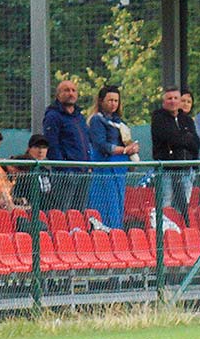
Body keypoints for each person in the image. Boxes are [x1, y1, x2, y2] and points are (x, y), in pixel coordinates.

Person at [85, 85, 136, 228]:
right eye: (110, 100)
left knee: (117, 203)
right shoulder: (97, 120)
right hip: (106, 167)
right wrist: (124, 150)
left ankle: (116, 231)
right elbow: (101, 145)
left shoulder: (119, 122)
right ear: (101, 101)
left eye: (116, 101)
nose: (113, 104)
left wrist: (132, 148)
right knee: (106, 202)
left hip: (119, 168)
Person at [150, 86, 199, 218]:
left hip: (187, 170)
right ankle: (165, 228)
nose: (173, 101)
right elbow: (169, 138)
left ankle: (181, 228)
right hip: (167, 170)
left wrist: (183, 139)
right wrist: (186, 137)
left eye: (176, 98)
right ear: (164, 102)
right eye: (169, 98)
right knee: (166, 204)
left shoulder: (187, 120)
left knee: (184, 206)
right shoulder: (158, 118)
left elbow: (196, 143)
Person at [42, 80, 90, 211]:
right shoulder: (53, 116)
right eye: (66, 90)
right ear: (58, 95)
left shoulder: (79, 117)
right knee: (62, 212)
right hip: (65, 175)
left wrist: (89, 166)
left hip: (83, 173)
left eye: (73, 90)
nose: (71, 93)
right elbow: (51, 145)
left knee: (79, 213)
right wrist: (64, 168)